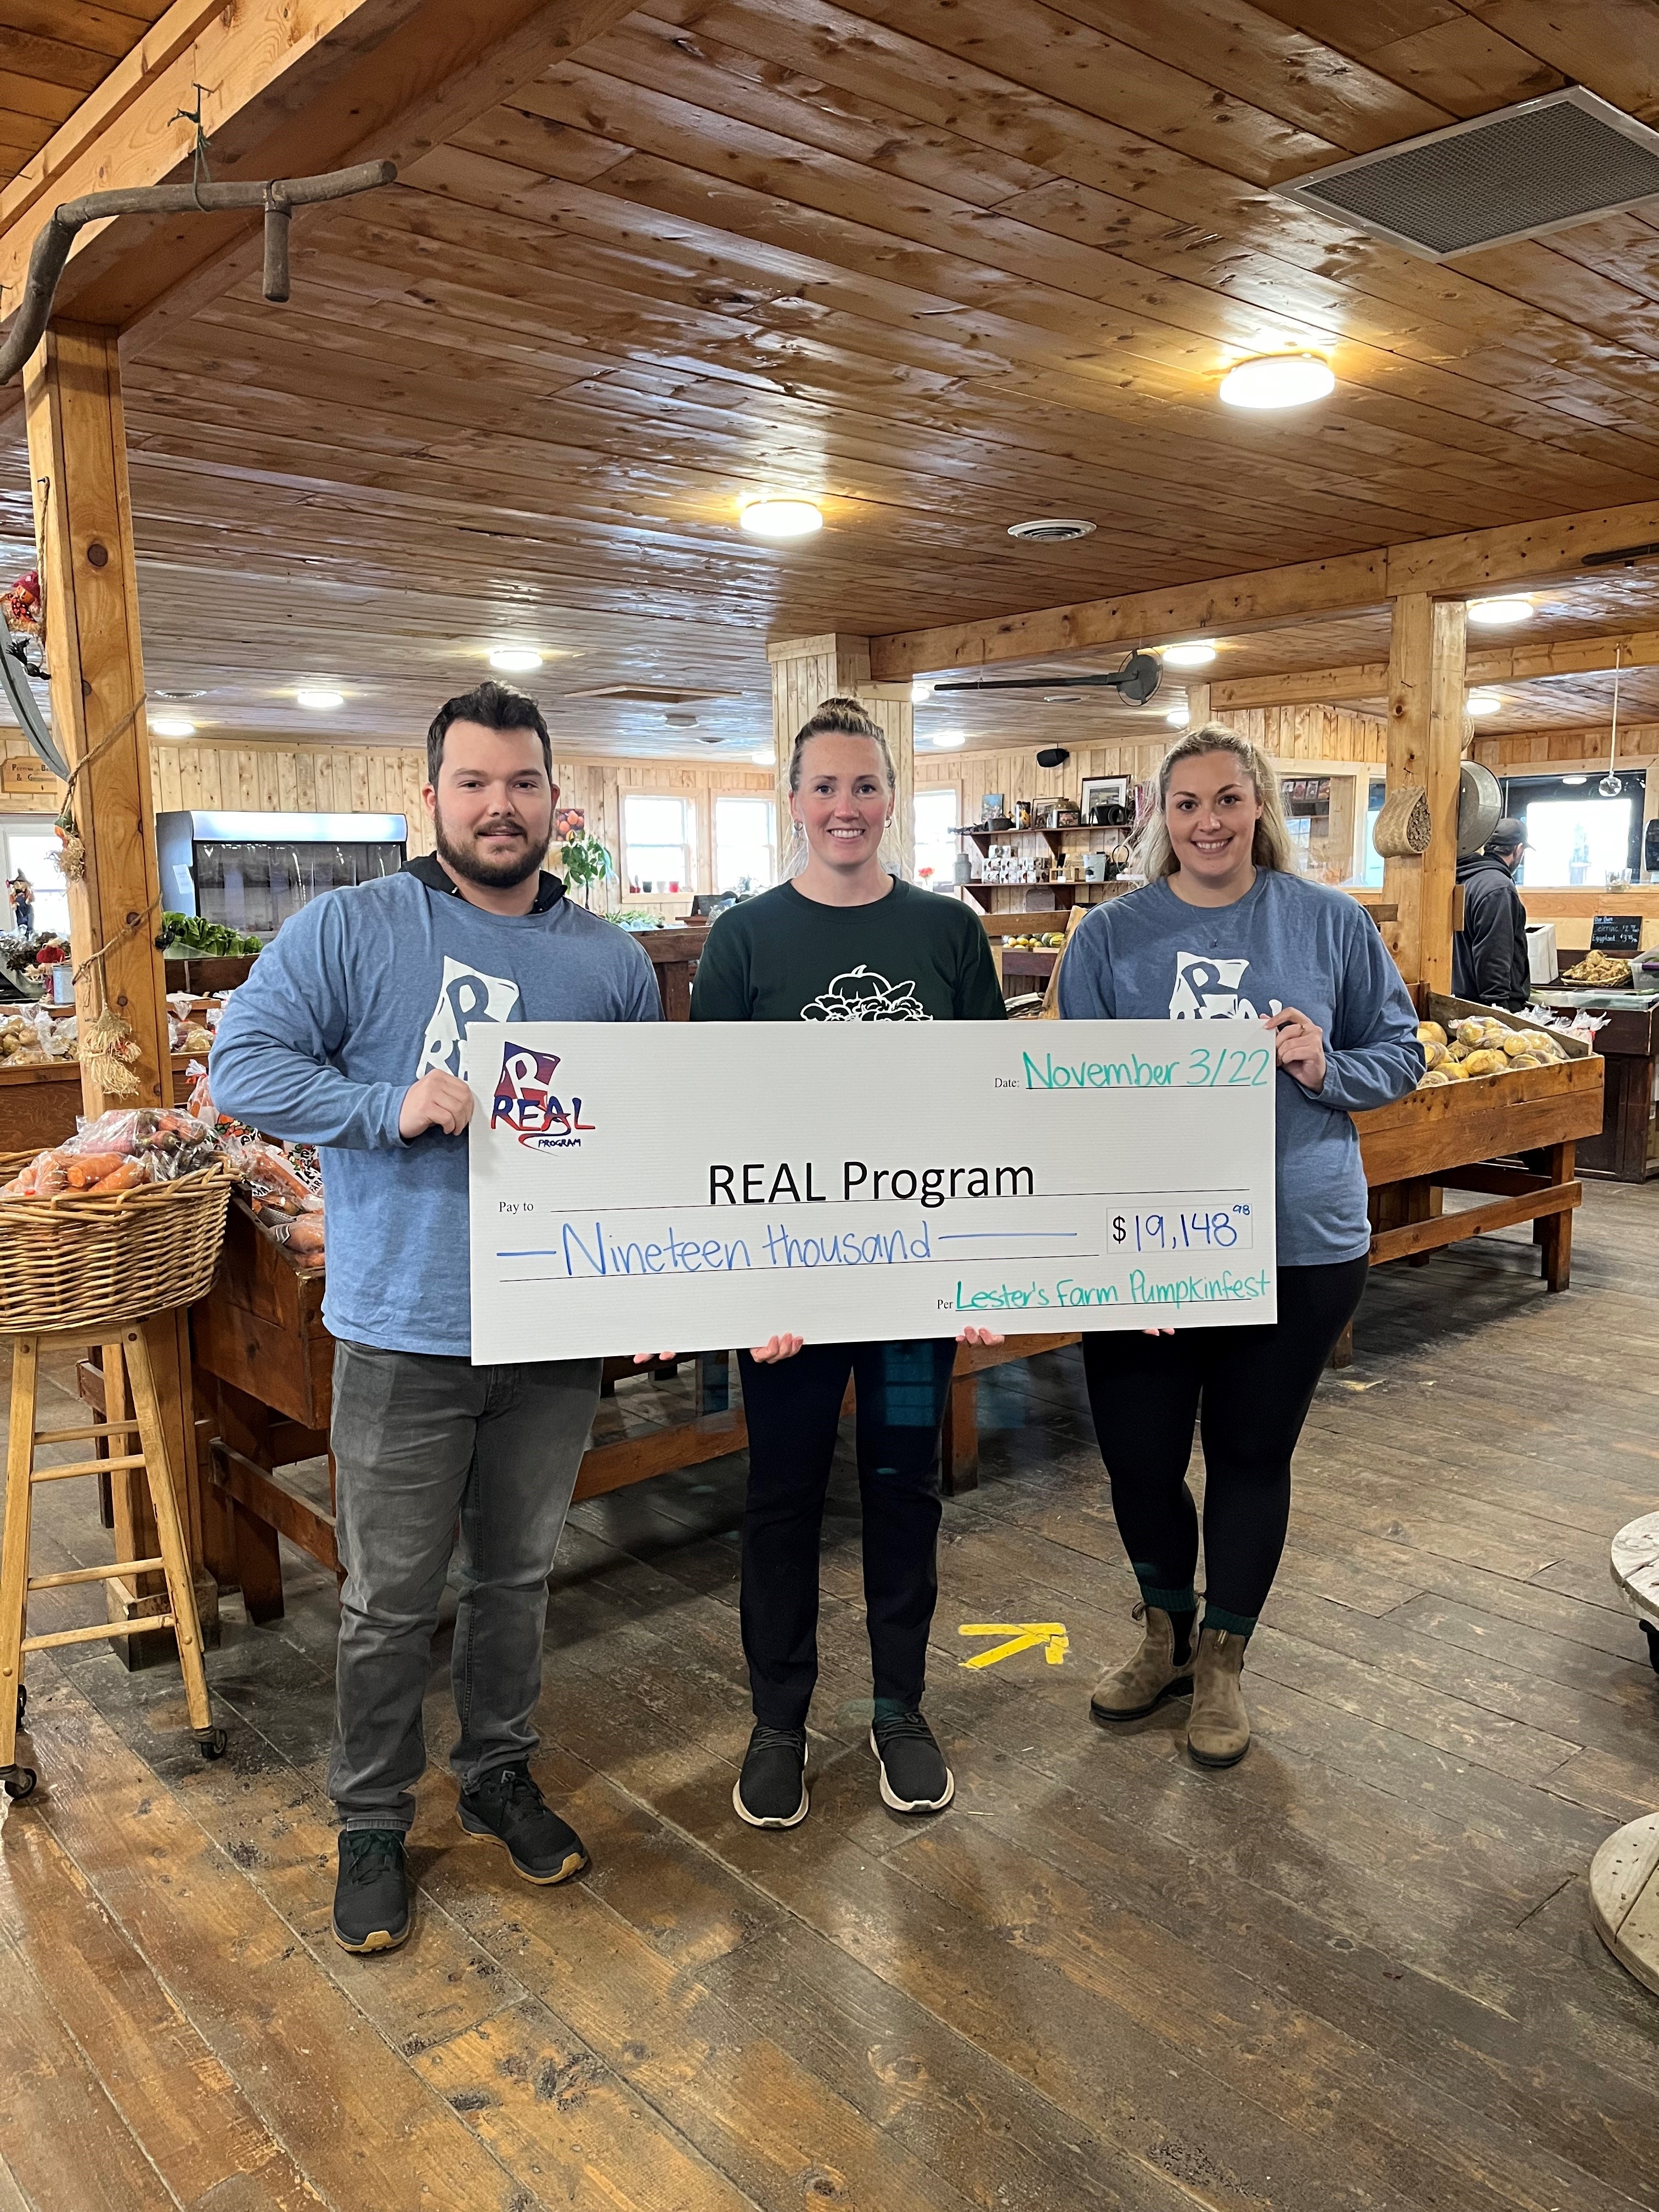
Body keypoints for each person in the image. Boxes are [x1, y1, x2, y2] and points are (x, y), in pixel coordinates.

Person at [211, 680, 661, 1954]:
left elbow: (639, 1141)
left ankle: (501, 1771)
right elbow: (241, 1068)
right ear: (431, 797)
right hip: (404, 1326)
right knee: (390, 1598)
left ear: (556, 804)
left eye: (522, 784)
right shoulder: (352, 927)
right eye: (473, 783)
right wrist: (389, 1106)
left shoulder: (609, 961)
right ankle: (370, 1822)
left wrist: (650, 1287)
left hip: (553, 1329)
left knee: (519, 1577)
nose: (499, 807)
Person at [1057, 724, 1421, 1769]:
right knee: (1137, 1457)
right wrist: (1108, 1245)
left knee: (1252, 1455)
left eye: (1225, 800)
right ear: (1158, 818)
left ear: (1256, 805)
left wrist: (1321, 1065)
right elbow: (1069, 1103)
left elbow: (1397, 1052)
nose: (1206, 822)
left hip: (1296, 1240)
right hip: (1145, 1245)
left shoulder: (1326, 923)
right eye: (1184, 804)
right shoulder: (1107, 940)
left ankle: (1221, 1659)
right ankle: (1162, 1630)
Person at [690, 697, 1005, 1829]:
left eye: (864, 786)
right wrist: (742, 1282)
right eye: (824, 787)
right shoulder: (745, 940)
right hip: (789, 1287)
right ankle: (778, 1720)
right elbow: (710, 1124)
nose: (845, 808)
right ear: (793, 803)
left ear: (891, 799)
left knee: (902, 1490)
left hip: (912, 1283)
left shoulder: (947, 934)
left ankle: (898, 1707)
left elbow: (988, 1111)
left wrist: (979, 1266)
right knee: (779, 1496)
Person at [1453, 819, 1530, 1011]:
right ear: (1518, 850)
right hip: (1489, 1007)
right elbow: (1494, 953)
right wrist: (1499, 1011)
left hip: (1462, 999)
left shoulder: (1464, 878)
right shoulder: (1500, 888)